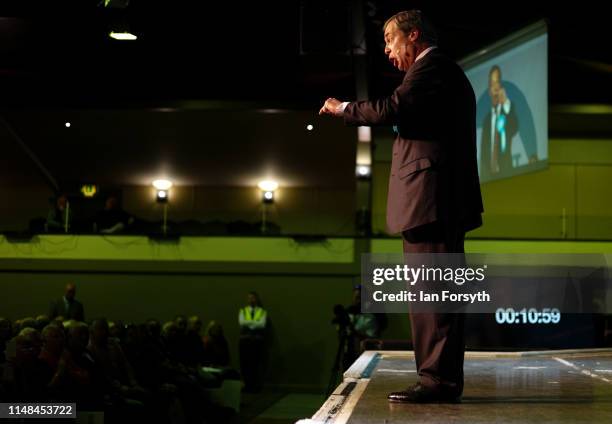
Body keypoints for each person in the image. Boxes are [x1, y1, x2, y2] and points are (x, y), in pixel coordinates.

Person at [320, 10, 483, 403]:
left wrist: (344, 109)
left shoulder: (432, 68)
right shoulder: (436, 74)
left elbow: (393, 107)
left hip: (433, 201)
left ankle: (437, 382)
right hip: (433, 202)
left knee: (433, 300)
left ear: (414, 35)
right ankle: (439, 380)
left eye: (391, 41)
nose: (389, 52)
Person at [479, 65, 519, 180]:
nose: (495, 87)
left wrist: (505, 102)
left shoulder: (507, 111)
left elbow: (514, 127)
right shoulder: (486, 120)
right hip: (488, 180)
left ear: (501, 86)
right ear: (489, 90)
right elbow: (483, 154)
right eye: (492, 83)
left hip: (507, 176)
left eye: (497, 82)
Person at [238, 292, 267, 392]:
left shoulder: (262, 312)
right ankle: (247, 385)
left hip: (256, 341)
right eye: (249, 298)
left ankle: (255, 386)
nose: (251, 300)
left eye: (253, 298)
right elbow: (242, 323)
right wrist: (255, 324)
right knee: (245, 364)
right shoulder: (243, 311)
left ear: (257, 299)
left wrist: (249, 324)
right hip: (245, 341)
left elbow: (262, 324)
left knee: (256, 363)